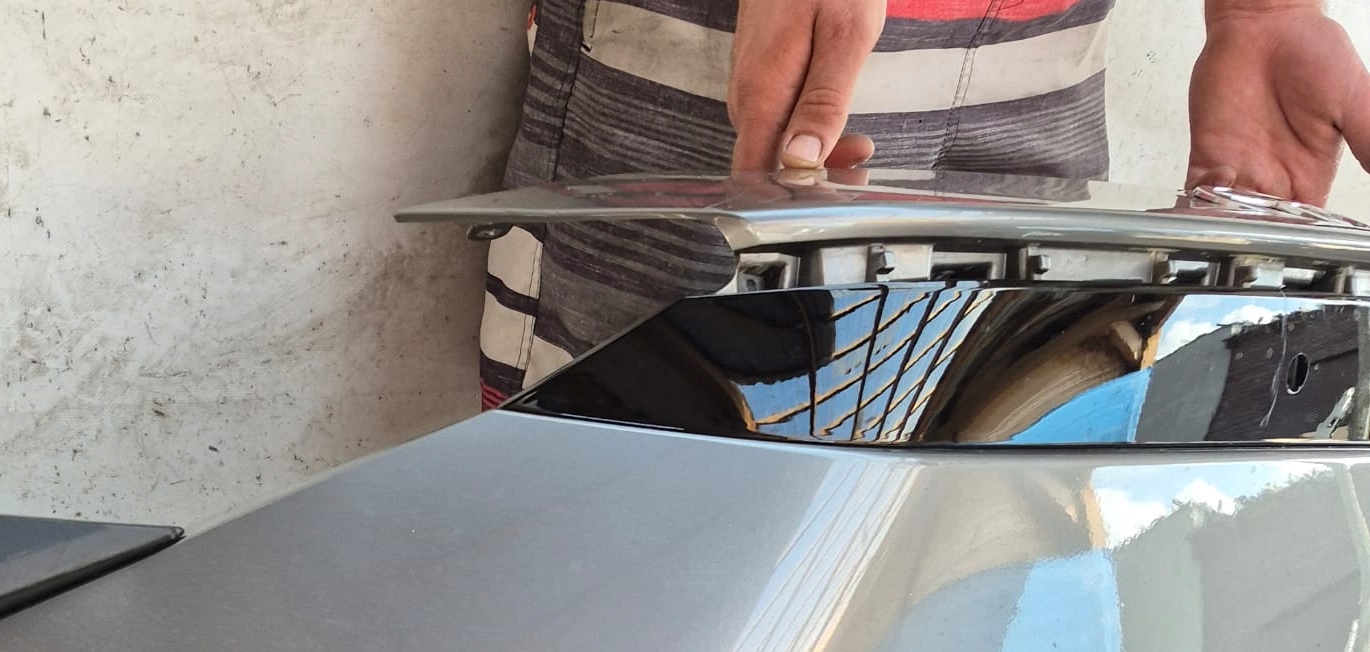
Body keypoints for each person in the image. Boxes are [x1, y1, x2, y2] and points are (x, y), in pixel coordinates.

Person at [482, 0, 1370, 405]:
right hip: (745, 45)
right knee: (628, 489)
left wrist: (1263, 12)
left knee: (937, 536)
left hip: (1044, 66)